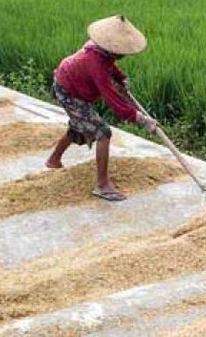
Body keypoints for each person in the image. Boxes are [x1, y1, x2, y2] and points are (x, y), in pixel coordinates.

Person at [45, 15, 159, 201]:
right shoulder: (96, 64)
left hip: (71, 85)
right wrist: (142, 120)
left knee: (80, 125)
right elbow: (114, 102)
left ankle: (53, 160)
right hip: (68, 92)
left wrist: (121, 78)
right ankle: (102, 185)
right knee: (102, 132)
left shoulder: (101, 51)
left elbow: (110, 66)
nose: (123, 54)